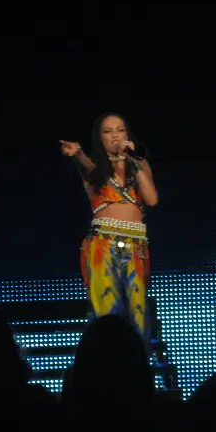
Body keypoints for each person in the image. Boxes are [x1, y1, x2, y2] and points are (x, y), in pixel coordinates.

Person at [59, 112, 159, 345]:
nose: (115, 136)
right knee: (105, 311)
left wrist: (135, 160)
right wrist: (78, 153)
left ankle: (138, 362)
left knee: (138, 313)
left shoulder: (139, 164)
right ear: (100, 138)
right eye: (108, 131)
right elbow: (88, 168)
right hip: (103, 244)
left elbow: (152, 200)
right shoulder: (94, 167)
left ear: (127, 135)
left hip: (136, 246)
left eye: (120, 130)